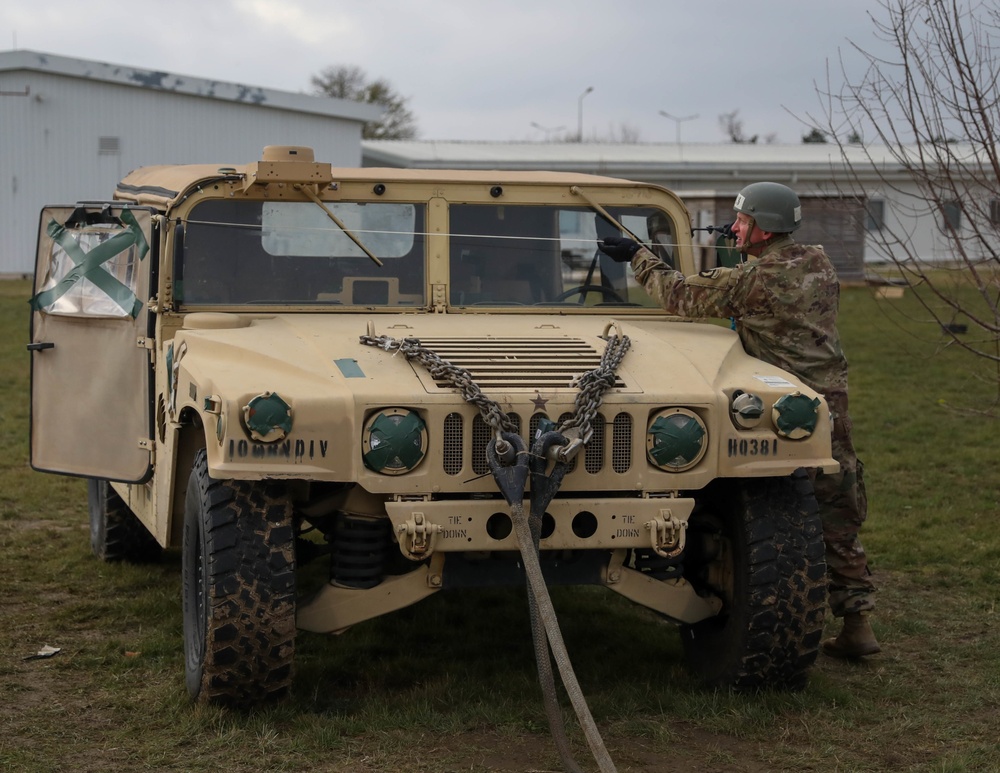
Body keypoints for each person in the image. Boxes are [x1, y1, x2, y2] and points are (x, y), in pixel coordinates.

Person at [599, 181, 880, 658]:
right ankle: (858, 622)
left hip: (783, 404)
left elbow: (682, 298)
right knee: (837, 506)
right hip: (830, 399)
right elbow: (752, 285)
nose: (734, 227)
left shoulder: (756, 280)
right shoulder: (818, 262)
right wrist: (736, 250)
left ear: (765, 229)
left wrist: (640, 255)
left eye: (743, 221)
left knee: (789, 502)